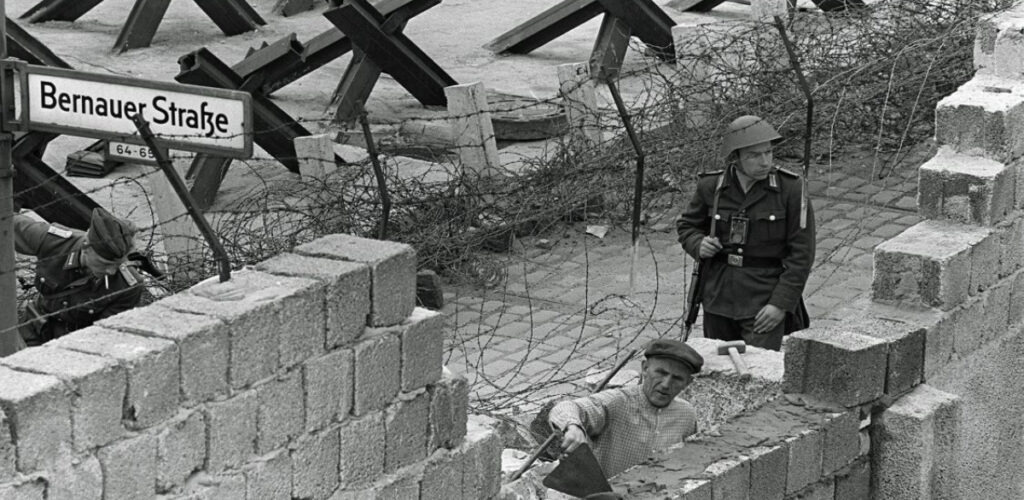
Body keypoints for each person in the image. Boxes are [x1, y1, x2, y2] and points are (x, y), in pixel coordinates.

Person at [676, 115, 815, 351]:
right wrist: (699, 244)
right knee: (719, 365)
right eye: (754, 155)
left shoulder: (791, 189)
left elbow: (802, 254)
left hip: (764, 299)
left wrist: (780, 304)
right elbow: (687, 226)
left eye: (768, 153)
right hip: (718, 297)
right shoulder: (712, 187)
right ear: (735, 159)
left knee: (759, 369)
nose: (764, 162)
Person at [547, 339, 703, 478]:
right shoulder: (617, 402)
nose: (666, 384)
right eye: (661, 373)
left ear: (687, 383)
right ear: (645, 368)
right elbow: (566, 407)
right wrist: (573, 428)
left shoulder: (686, 415)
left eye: (677, 378)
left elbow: (689, 461)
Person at [14, 207, 144, 346]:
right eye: (104, 264)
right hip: (34, 326)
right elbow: (8, 224)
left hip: (75, 343)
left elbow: (102, 339)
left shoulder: (127, 286)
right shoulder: (55, 242)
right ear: (86, 247)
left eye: (118, 265)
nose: (112, 271)